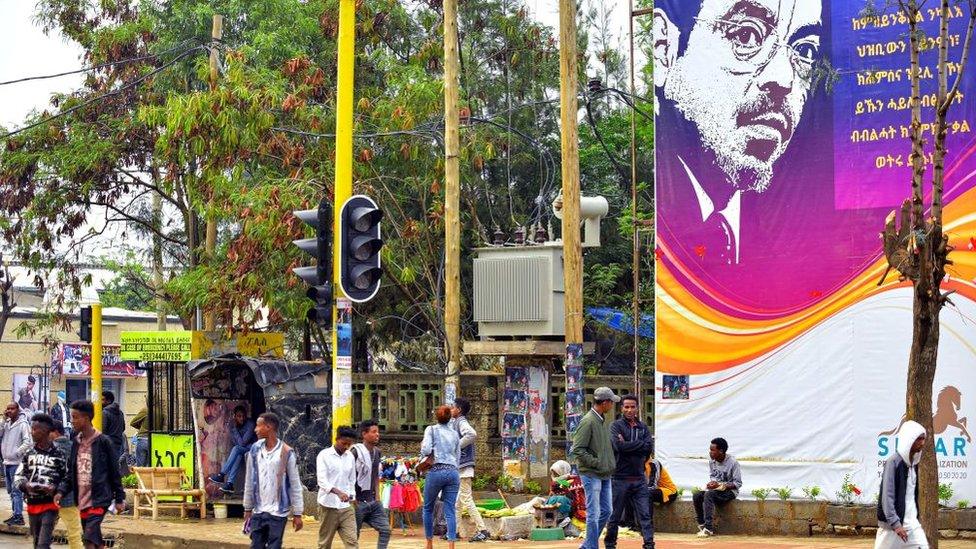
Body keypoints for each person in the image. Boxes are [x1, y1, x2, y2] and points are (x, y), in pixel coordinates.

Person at [653, 0, 824, 266]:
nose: (784, 79)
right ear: (665, 50)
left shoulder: (778, 249)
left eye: (805, 50)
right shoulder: (663, 212)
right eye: (746, 35)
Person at [68, 399, 126, 549]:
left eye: (75, 417)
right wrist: (61, 491)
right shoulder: (76, 442)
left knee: (88, 537)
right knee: (94, 538)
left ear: (86, 419)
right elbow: (71, 471)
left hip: (100, 498)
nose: (71, 421)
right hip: (81, 499)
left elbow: (114, 471)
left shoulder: (103, 442)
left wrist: (119, 498)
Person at [243, 412, 304, 549]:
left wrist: (297, 513)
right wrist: (247, 508)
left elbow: (295, 484)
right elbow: (249, 479)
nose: (255, 429)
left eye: (258, 426)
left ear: (268, 427)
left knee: (274, 546)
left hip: (278, 512)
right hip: (258, 510)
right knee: (256, 546)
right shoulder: (255, 449)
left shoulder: (287, 452)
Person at [570, 387, 618, 549]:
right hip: (591, 473)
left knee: (606, 511)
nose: (612, 405)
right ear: (604, 403)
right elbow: (577, 449)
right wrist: (597, 463)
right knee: (594, 512)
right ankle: (591, 546)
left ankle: (588, 545)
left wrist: (606, 464)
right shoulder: (588, 421)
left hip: (604, 474)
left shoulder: (602, 420)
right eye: (611, 402)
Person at [604, 394, 654, 549]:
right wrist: (638, 445)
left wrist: (628, 445)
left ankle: (649, 544)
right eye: (626, 407)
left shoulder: (643, 427)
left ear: (637, 408)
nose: (630, 410)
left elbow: (648, 448)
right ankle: (610, 545)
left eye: (633, 407)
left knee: (645, 515)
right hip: (620, 478)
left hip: (639, 478)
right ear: (621, 408)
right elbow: (618, 447)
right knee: (615, 516)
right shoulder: (615, 426)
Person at [14, 413, 69, 549]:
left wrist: (57, 489)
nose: (31, 433)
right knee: (37, 541)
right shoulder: (29, 453)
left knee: (43, 543)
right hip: (32, 504)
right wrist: (25, 485)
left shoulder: (59, 454)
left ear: (44, 431)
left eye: (34, 429)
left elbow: (68, 477)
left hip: (50, 505)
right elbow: (18, 476)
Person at [875, 420, 928, 548]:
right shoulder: (894, 462)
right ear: (909, 440)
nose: (922, 442)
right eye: (918, 439)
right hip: (891, 529)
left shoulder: (913, 464)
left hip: (912, 526)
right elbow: (887, 497)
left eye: (923, 438)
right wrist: (896, 524)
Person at [421, 405, 461, 549]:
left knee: (428, 508)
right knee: (449, 509)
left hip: (436, 470)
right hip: (453, 472)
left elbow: (426, 449)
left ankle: (429, 543)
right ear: (450, 418)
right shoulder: (455, 433)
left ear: (436, 417)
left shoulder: (430, 430)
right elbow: (457, 457)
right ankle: (451, 544)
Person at [451, 398, 490, 542]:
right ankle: (454, 531)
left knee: (467, 500)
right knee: (457, 503)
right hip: (461, 467)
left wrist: (456, 446)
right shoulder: (456, 422)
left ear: (459, 410)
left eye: (452, 407)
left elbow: (472, 434)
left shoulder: (461, 422)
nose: (450, 409)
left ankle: (483, 530)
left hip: (464, 467)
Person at [351, 419, 391, 549]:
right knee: (353, 536)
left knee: (385, 529)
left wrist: (378, 497)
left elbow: (375, 475)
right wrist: (353, 499)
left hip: (373, 501)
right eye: (374, 432)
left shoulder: (377, 452)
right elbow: (349, 476)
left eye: (377, 432)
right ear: (364, 434)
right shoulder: (355, 452)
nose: (377, 434)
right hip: (357, 502)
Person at [317, 426, 359, 549]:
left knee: (352, 543)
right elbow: (322, 481)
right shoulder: (324, 455)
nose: (346, 447)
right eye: (344, 443)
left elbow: (352, 479)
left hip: (346, 507)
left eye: (349, 444)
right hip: (328, 506)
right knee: (325, 543)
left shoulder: (350, 456)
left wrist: (352, 496)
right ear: (337, 439)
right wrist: (338, 492)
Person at [692, 437, 742, 537]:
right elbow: (713, 477)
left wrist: (720, 485)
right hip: (716, 491)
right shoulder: (712, 461)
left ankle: (708, 529)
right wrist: (712, 483)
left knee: (709, 494)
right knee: (697, 495)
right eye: (710, 450)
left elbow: (738, 483)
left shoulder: (733, 463)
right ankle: (702, 525)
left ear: (721, 451)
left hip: (730, 492)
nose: (710, 453)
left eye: (712, 450)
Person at [50, 421, 83, 549]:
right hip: (71, 497)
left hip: (51, 497)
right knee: (74, 535)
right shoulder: (75, 447)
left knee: (43, 533)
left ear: (56, 432)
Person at [208, 405, 256, 493]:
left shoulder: (250, 424)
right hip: (243, 450)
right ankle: (230, 484)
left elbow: (241, 443)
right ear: (235, 417)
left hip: (253, 448)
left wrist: (234, 430)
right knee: (238, 456)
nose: (242, 418)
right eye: (239, 416)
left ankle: (221, 474)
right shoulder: (232, 426)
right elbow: (236, 442)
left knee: (236, 449)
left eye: (243, 416)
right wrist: (234, 429)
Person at [2, 401, 33, 525]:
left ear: (18, 410)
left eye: (12, 409)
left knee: (16, 490)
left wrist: (16, 453)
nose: (9, 411)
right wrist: (3, 420)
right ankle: (15, 513)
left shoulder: (23, 424)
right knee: (10, 490)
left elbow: (28, 442)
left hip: (17, 462)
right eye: (8, 408)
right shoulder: (7, 423)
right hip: (7, 462)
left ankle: (19, 516)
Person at [100, 391, 125, 467]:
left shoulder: (104, 412)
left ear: (109, 401)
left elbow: (102, 430)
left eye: (102, 399)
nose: (100, 402)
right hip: (118, 443)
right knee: (114, 466)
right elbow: (123, 427)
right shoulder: (120, 412)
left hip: (107, 444)